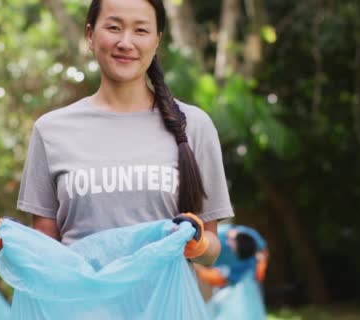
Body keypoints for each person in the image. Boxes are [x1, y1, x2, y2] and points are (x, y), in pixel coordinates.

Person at [14, 0, 234, 267]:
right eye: (114, 27)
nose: (126, 42)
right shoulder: (50, 130)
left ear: (157, 41)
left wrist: (196, 242)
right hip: (78, 306)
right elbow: (45, 243)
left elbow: (212, 245)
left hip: (165, 307)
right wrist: (19, 243)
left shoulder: (193, 125)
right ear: (90, 36)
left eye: (141, 31)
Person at [195, 223, 269, 292]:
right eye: (233, 241)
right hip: (203, 242)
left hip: (205, 262)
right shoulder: (231, 233)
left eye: (233, 246)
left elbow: (225, 279)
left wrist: (200, 271)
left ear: (237, 254)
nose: (229, 243)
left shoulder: (244, 268)